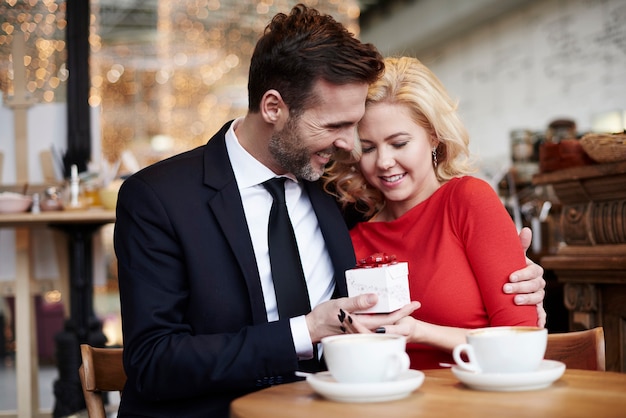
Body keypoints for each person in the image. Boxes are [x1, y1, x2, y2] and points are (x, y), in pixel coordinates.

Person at [114, 5, 545, 417]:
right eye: (336, 126)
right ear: (273, 108)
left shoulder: (338, 195)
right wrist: (307, 329)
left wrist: (521, 277)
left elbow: (427, 247)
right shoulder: (158, 197)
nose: (350, 147)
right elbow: (153, 361)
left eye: (353, 127)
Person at [323, 56, 540, 370]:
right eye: (368, 148)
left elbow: (520, 341)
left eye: (399, 143)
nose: (383, 161)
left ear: (434, 136)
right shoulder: (354, 239)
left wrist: (420, 332)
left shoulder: (467, 201)